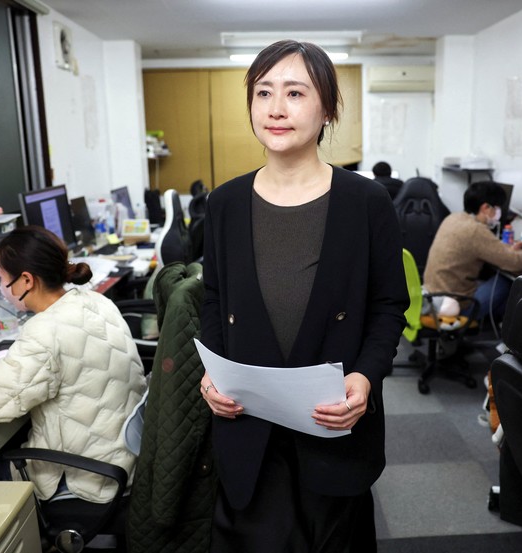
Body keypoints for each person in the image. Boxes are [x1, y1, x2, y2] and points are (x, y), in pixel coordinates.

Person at [198, 40, 408, 552]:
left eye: (295, 93)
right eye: (263, 92)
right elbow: (212, 298)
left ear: (328, 108)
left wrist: (364, 376)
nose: (275, 108)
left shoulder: (366, 203)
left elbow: (388, 306)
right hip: (248, 424)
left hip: (332, 424)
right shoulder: (224, 203)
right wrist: (211, 373)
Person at [0, 225, 147, 504]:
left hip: (87, 477)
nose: (2, 288)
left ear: (26, 280)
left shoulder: (45, 331)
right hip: (124, 456)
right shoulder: (95, 301)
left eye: (2, 278)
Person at [423, 181, 522, 321]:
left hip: (432, 298)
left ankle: (499, 328)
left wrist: (509, 249)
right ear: (485, 208)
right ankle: (506, 335)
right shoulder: (476, 230)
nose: (499, 212)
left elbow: (486, 249)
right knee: (509, 280)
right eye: (498, 208)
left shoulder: (454, 218)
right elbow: (514, 262)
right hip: (455, 306)